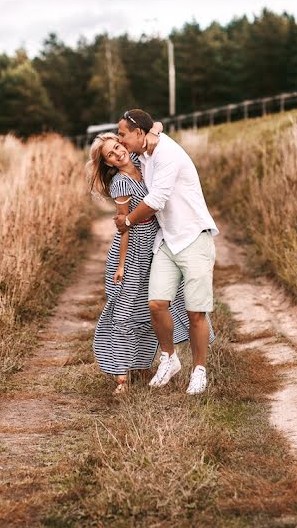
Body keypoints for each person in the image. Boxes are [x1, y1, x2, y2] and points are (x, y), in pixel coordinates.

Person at [86, 132, 208, 393]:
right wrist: (121, 265)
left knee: (160, 303)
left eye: (118, 146)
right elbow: (124, 227)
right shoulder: (120, 183)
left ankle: (152, 363)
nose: (118, 153)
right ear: (108, 163)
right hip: (134, 249)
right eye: (110, 154)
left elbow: (151, 134)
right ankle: (121, 374)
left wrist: (155, 129)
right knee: (125, 308)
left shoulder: (142, 161)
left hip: (158, 242)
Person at [114, 109, 218, 395]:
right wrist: (154, 130)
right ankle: (169, 359)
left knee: (196, 311)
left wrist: (127, 221)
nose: (120, 141)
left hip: (193, 236)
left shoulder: (167, 155)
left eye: (123, 134)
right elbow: (154, 127)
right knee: (157, 304)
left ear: (138, 134)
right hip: (167, 240)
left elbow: (157, 199)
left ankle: (199, 371)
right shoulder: (145, 150)